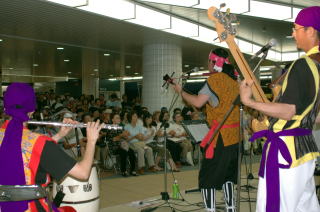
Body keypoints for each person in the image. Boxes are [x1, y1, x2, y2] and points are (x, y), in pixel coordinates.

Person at [239, 6, 320, 212]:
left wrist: (249, 101)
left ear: (311, 31)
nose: (292, 33)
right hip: (305, 151)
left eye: (296, 28)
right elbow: (316, 116)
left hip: (286, 153)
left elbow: (288, 110)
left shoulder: (302, 65)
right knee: (305, 207)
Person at [0, 82, 104, 212]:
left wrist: (60, 134)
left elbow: (24, 150)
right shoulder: (40, 142)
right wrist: (92, 140)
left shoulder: (12, 138)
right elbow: (83, 173)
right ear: (32, 110)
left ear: (6, 108)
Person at [172, 48, 240, 212]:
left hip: (220, 136)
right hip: (235, 136)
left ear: (214, 62)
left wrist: (180, 90)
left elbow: (197, 102)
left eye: (209, 61)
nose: (207, 64)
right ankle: (230, 207)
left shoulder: (214, 80)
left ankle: (210, 210)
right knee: (228, 175)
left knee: (208, 177)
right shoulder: (234, 81)